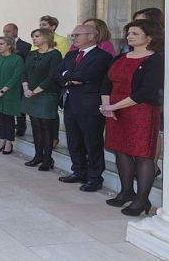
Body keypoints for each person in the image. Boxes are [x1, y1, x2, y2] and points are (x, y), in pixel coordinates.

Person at [100, 19, 164, 216]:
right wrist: (107, 106)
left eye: (135, 33)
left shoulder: (155, 60)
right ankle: (126, 192)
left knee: (143, 155)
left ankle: (141, 200)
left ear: (149, 37)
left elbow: (146, 91)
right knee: (121, 151)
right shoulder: (120, 57)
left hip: (140, 111)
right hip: (115, 110)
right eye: (129, 33)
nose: (129, 36)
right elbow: (106, 82)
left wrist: (113, 106)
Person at [54, 24, 113, 192]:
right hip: (71, 103)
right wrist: (69, 78)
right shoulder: (71, 54)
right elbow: (55, 74)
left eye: (77, 35)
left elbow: (87, 75)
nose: (73, 38)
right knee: (74, 140)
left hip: (90, 106)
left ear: (91, 36)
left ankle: (94, 178)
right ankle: (78, 171)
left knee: (92, 141)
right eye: (73, 35)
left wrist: (68, 75)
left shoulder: (102, 56)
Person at [20, 29, 62, 170]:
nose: (34, 39)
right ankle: (38, 155)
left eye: (37, 36)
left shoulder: (55, 54)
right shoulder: (32, 54)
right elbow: (24, 72)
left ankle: (47, 158)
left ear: (47, 37)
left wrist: (36, 90)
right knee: (35, 126)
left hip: (46, 95)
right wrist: (26, 89)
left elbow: (52, 76)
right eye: (33, 37)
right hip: (30, 94)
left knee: (46, 127)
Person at [0, 36, 23, 155]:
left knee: (9, 118)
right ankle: (2, 139)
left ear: (9, 45)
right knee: (0, 117)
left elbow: (15, 77)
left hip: (9, 93)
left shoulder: (17, 59)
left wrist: (2, 91)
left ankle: (9, 142)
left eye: (1, 44)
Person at [3, 23, 31, 137]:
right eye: (4, 31)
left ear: (15, 31)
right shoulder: (4, 44)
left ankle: (21, 127)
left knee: (19, 105)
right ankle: (7, 125)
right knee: (7, 103)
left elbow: (26, 64)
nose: (5, 33)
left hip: (19, 80)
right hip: (6, 79)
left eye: (8, 31)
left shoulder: (25, 46)